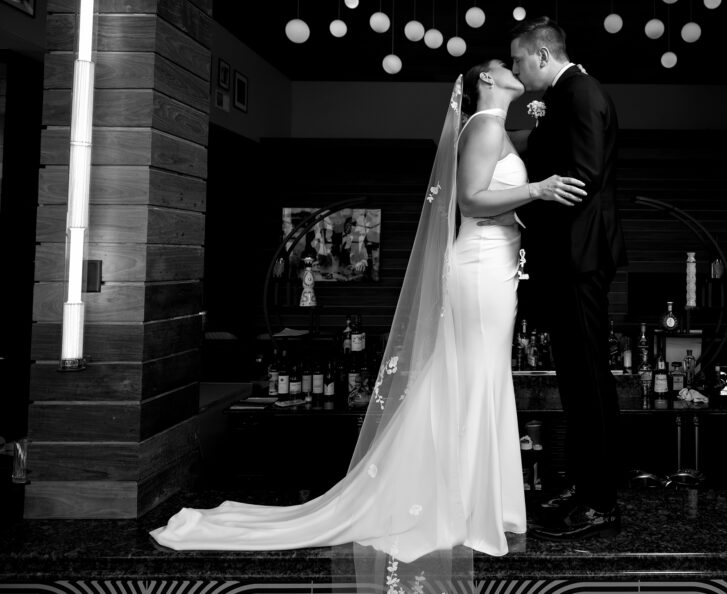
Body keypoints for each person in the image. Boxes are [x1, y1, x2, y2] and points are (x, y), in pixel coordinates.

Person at [148, 61, 585, 588]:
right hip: (480, 266)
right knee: (472, 377)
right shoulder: (485, 127)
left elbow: (526, 143)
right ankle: (463, 506)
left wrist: (545, 119)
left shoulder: (493, 126)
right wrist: (536, 191)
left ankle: (476, 502)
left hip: (496, 268)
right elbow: (470, 200)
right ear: (486, 84)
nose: (510, 67)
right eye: (500, 67)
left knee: (478, 377)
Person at [509, 17, 628, 541]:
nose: (515, 69)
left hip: (578, 259)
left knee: (589, 381)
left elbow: (582, 175)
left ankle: (600, 502)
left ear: (540, 54)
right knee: (577, 382)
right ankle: (585, 488)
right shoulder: (567, 93)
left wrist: (525, 208)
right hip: (569, 259)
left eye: (517, 60)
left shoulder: (580, 92)